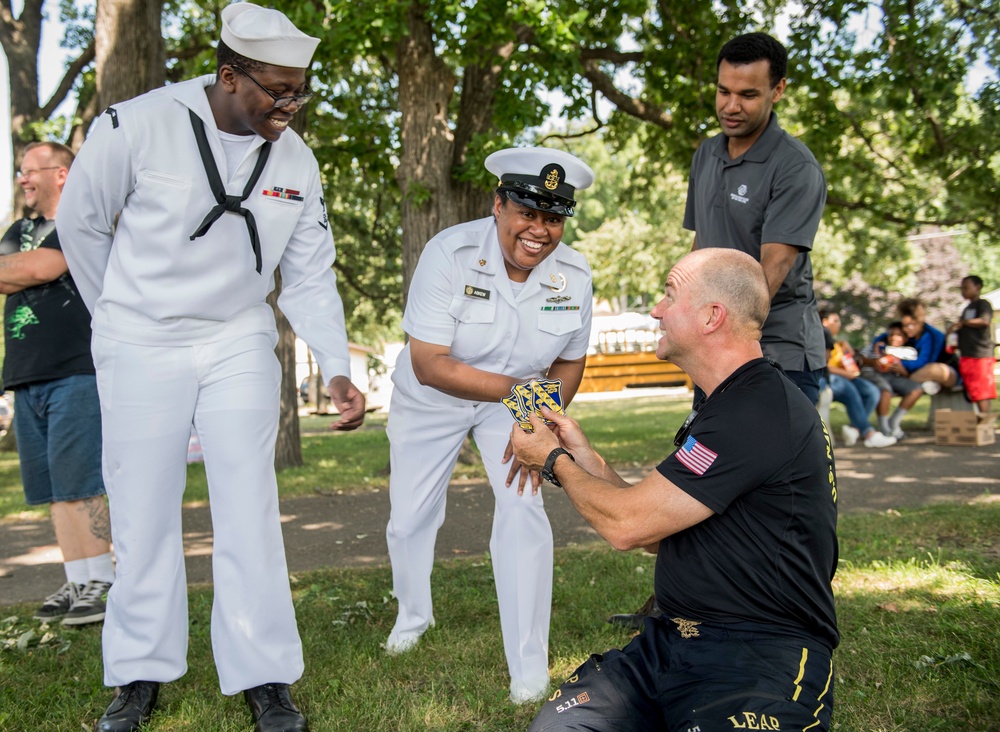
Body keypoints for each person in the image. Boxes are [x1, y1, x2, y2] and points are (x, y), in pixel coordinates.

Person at [56, 4, 366, 731]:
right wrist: (119, 319)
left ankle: (264, 675)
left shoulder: (296, 158)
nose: (290, 106)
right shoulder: (135, 126)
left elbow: (311, 271)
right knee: (142, 510)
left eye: (301, 91)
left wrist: (338, 363)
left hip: (236, 337)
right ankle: (137, 675)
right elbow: (82, 226)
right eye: (277, 91)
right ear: (229, 75)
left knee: (249, 504)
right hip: (139, 338)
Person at [511, 248, 838, 732]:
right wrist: (585, 458)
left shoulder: (754, 412)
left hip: (761, 654)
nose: (656, 310)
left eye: (669, 294)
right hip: (671, 644)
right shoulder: (729, 402)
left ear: (712, 317)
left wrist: (551, 460)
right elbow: (654, 530)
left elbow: (627, 526)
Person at [384, 146, 595, 704]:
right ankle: (413, 618)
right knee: (410, 517)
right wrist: (522, 394)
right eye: (527, 211)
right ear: (498, 204)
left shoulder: (574, 273)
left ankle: (529, 671)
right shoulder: (448, 253)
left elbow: (571, 359)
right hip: (432, 397)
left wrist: (541, 420)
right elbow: (431, 365)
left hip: (514, 402)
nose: (539, 230)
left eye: (553, 217)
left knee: (524, 506)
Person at [0, 141, 115, 626]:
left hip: (76, 369)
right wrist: (18, 272)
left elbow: (36, 268)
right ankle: (77, 578)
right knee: (51, 488)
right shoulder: (18, 230)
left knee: (81, 483)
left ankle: (104, 581)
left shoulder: (78, 220)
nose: (23, 179)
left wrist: (22, 272)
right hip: (28, 375)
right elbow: (12, 275)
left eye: (30, 170)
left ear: (62, 173)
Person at [684, 32, 827, 405]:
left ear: (778, 90)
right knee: (708, 463)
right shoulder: (706, 155)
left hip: (779, 353)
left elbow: (772, 270)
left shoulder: (795, 167)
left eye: (748, 95)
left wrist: (710, 333)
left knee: (779, 464)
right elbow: (702, 246)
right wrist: (681, 310)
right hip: (715, 347)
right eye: (723, 91)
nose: (731, 106)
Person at [819, 310, 896, 447]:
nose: (839, 324)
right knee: (849, 389)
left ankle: (854, 429)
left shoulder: (838, 343)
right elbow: (823, 365)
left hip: (846, 376)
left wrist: (850, 352)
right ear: (824, 322)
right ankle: (868, 432)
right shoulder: (820, 336)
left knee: (871, 391)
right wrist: (846, 374)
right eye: (835, 321)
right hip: (829, 377)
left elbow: (851, 362)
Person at [858, 322, 926, 439]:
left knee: (916, 389)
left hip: (895, 376)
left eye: (898, 335)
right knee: (885, 390)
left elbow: (911, 371)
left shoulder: (909, 352)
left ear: (905, 338)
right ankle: (884, 428)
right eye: (891, 335)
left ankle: (894, 422)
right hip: (874, 374)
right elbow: (860, 359)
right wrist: (874, 361)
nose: (894, 338)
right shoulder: (878, 345)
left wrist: (901, 368)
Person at [948, 276, 995, 414]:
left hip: (980, 355)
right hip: (967, 355)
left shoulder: (983, 304)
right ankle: (978, 422)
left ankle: (984, 424)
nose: (963, 291)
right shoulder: (967, 308)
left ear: (977, 287)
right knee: (973, 390)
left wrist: (964, 323)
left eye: (966, 288)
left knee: (982, 391)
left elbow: (985, 321)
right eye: (962, 288)